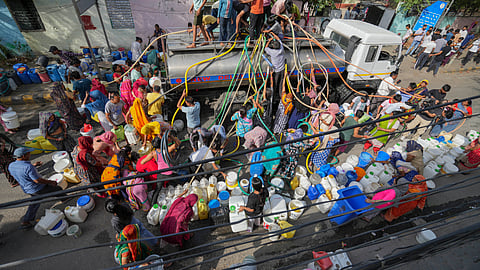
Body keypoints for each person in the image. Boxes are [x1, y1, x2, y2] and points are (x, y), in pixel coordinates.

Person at [9, 148, 61, 229]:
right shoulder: (28, 167)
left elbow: (19, 172)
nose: (30, 154)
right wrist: (50, 181)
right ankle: (26, 221)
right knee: (56, 189)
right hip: (36, 188)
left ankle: (26, 220)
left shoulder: (11, 166)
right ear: (23, 156)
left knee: (36, 200)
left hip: (26, 188)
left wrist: (33, 166)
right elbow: (37, 180)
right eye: (28, 153)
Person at [264, 37, 285, 103]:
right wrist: (274, 35)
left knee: (275, 85)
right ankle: (281, 97)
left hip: (276, 72)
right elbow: (279, 39)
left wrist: (269, 40)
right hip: (282, 70)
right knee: (281, 84)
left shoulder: (272, 52)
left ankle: (274, 98)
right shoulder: (281, 49)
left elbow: (265, 48)